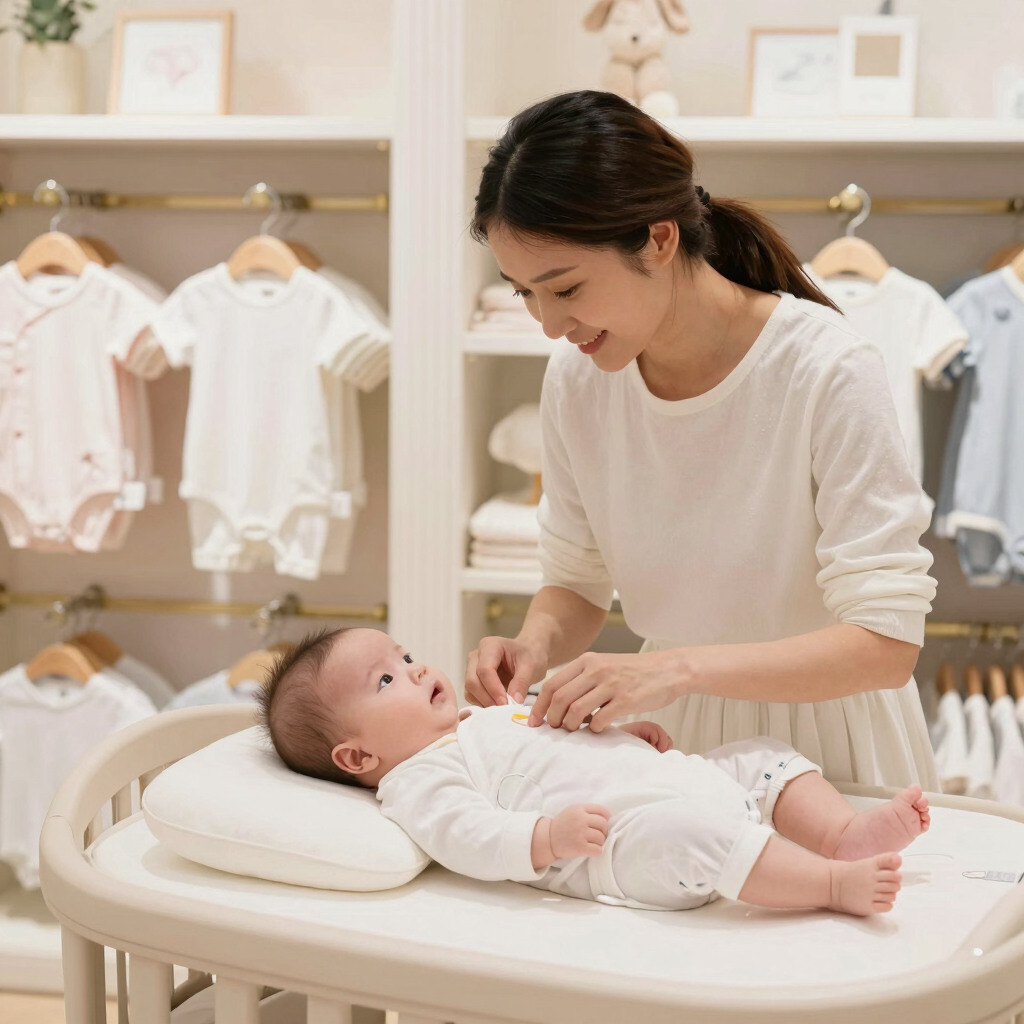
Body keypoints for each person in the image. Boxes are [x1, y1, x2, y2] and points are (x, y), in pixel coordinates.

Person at [464, 90, 939, 789]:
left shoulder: (825, 368)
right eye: (523, 293)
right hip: (674, 743)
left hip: (835, 746)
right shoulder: (579, 380)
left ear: (659, 239)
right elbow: (576, 580)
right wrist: (531, 647)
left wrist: (673, 668)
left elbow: (886, 644)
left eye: (563, 287)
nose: (548, 323)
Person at [256, 627, 930, 917]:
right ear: (356, 758)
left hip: (671, 775)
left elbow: (565, 744)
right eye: (385, 679)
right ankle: (833, 883)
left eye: (404, 656)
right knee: (693, 834)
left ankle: (841, 831)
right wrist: (546, 838)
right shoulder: (418, 783)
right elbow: (469, 835)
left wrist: (621, 737)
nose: (417, 670)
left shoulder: (480, 719)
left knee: (759, 754)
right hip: (623, 843)